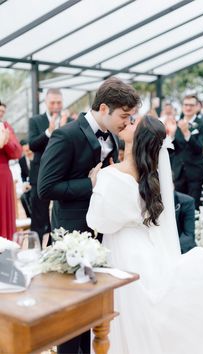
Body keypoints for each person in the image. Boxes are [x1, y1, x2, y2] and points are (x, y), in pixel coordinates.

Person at [87, 115, 203, 354]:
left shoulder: (111, 175)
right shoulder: (152, 176)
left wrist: (94, 185)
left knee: (127, 317)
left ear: (139, 138)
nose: (128, 122)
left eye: (134, 122)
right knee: (140, 316)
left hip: (123, 252)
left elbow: (96, 221)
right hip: (146, 250)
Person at [37, 77, 141, 354]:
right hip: (71, 238)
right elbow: (45, 188)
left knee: (93, 315)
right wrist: (92, 184)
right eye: (124, 116)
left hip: (102, 237)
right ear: (104, 108)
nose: (127, 123)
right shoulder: (66, 135)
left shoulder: (112, 138)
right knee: (70, 320)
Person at [29, 88, 63, 244]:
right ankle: (35, 251)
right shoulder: (35, 120)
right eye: (53, 102)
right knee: (38, 217)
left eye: (59, 102)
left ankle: (54, 248)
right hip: (39, 175)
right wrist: (48, 132)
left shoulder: (68, 121)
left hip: (62, 175)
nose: (56, 105)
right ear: (46, 103)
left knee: (59, 215)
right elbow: (32, 145)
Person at [170, 95, 203, 209]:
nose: (188, 107)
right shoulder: (177, 123)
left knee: (192, 206)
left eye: (191, 105)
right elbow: (174, 149)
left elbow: (199, 148)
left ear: (197, 107)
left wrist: (186, 132)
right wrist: (171, 135)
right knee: (177, 206)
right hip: (179, 172)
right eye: (186, 104)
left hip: (195, 172)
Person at [0, 100, 22, 239]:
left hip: (3, 173)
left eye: (2, 111)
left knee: (4, 211)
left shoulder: (6, 127)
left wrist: (6, 141)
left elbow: (17, 152)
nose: (1, 114)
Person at [19, 139, 33, 218]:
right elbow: (23, 175)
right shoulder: (22, 160)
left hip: (37, 185)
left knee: (33, 197)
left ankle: (35, 218)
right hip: (29, 185)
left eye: (28, 150)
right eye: (25, 151)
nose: (28, 152)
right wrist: (25, 183)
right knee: (23, 198)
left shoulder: (36, 157)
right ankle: (30, 217)